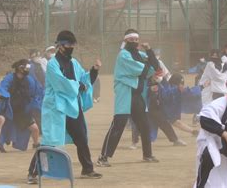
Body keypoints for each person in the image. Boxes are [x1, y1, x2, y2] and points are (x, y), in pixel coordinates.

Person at [29, 30, 102, 183]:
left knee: (81, 137)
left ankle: (87, 169)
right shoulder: (52, 65)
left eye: (72, 44)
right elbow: (61, 84)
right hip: (57, 108)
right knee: (49, 140)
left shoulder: (74, 63)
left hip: (73, 106)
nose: (71, 47)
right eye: (68, 44)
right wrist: (79, 85)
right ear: (60, 46)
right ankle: (33, 173)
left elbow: (84, 78)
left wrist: (94, 70)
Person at [97, 29, 160, 167]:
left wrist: (149, 50)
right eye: (131, 39)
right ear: (125, 40)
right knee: (118, 125)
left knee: (144, 124)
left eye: (136, 39)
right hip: (125, 93)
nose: (134, 41)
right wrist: (149, 62)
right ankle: (103, 157)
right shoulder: (123, 55)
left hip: (136, 95)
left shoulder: (139, 54)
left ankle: (147, 155)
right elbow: (143, 69)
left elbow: (154, 66)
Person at [0, 59, 42, 154]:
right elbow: (3, 87)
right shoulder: (10, 78)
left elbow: (37, 91)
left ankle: (36, 144)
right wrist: (0, 93)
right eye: (25, 67)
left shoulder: (29, 80)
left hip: (21, 109)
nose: (27, 69)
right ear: (19, 68)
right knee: (0, 119)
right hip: (8, 107)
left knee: (35, 129)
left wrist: (37, 102)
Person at [29, 49, 46, 134]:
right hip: (35, 93)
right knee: (36, 112)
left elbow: (44, 77)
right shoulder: (30, 66)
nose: (38, 57)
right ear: (31, 56)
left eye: (39, 55)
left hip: (41, 92)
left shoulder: (39, 65)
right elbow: (33, 78)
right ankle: (39, 129)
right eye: (36, 55)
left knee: (40, 112)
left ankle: (40, 129)